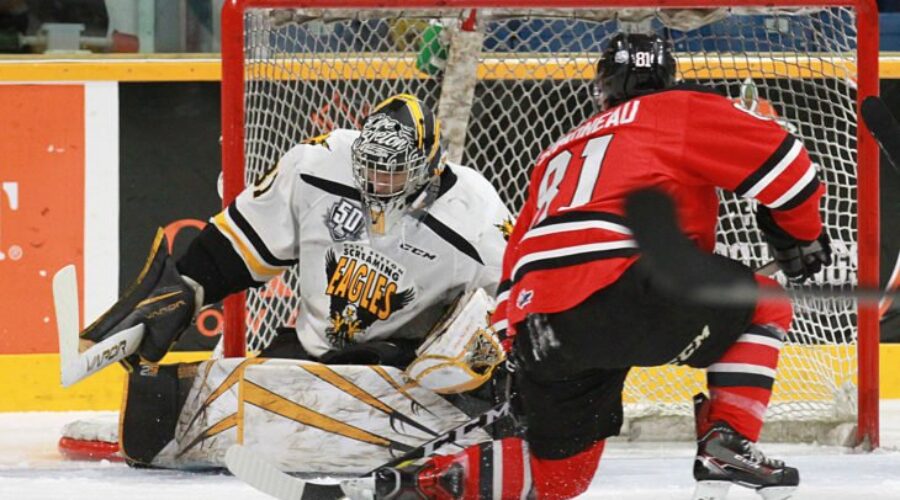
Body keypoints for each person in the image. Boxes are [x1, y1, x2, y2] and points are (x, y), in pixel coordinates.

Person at [349, 33, 831, 500]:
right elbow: (790, 169)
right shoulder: (678, 107)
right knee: (768, 301)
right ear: (666, 77)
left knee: (560, 483)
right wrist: (801, 237)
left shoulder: (556, 150)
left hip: (542, 327)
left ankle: (417, 483)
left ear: (601, 88)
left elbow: (517, 254)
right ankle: (727, 440)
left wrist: (518, 342)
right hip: (632, 291)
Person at [80, 93, 512, 470]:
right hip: (312, 353)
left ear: (430, 168)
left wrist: (487, 354)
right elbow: (238, 245)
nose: (378, 183)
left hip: (398, 368)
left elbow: (512, 304)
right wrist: (183, 291)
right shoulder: (319, 164)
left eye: (394, 172)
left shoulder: (475, 216)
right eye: (371, 168)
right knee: (159, 409)